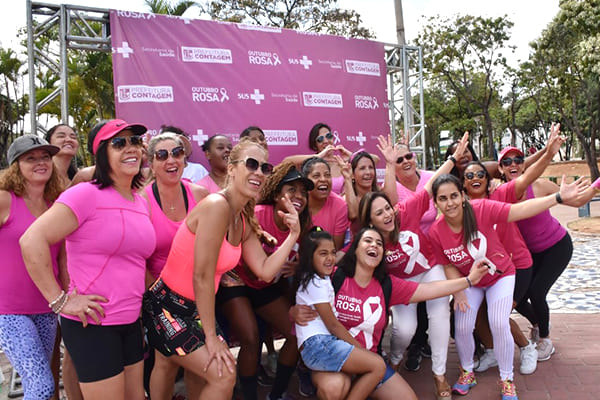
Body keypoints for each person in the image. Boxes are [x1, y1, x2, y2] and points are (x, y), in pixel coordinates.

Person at [141, 138, 301, 400]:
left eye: (265, 167)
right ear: (232, 169)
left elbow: (264, 270)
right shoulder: (217, 206)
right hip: (167, 305)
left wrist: (293, 234)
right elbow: (202, 276)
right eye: (251, 164)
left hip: (196, 307)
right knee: (222, 374)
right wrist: (211, 337)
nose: (259, 172)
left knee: (174, 365)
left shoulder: (241, 218)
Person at [21, 119, 156, 399]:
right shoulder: (85, 194)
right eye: (119, 143)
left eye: (135, 141)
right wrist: (60, 300)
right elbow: (31, 241)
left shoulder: (139, 201)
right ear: (101, 155)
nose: (130, 148)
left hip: (131, 321)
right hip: (94, 325)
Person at [427, 173, 586, 400]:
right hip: (469, 281)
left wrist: (558, 198)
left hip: (500, 277)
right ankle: (467, 372)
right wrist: (459, 290)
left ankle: (506, 379)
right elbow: (447, 264)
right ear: (436, 203)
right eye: (443, 199)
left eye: (454, 196)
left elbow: (519, 210)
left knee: (498, 322)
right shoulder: (436, 230)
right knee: (463, 325)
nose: (450, 203)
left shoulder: (480, 208)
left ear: (463, 196)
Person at [293, 227, 489, 400]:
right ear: (356, 248)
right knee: (334, 389)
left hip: (370, 359)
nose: (374, 245)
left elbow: (429, 290)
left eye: (379, 243)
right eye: (368, 240)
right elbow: (307, 293)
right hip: (338, 356)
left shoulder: (387, 285)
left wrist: (469, 280)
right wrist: (292, 312)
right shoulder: (335, 275)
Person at [355, 132, 468, 399]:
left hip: (430, 269)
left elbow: (431, 185)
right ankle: (394, 360)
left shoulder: (406, 211)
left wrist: (453, 158)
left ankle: (439, 374)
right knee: (405, 330)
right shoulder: (370, 240)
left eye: (388, 209)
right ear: (370, 221)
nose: (388, 215)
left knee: (440, 312)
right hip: (402, 285)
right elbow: (345, 259)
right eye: (380, 212)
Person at [462, 125, 565, 375]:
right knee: (477, 314)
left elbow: (526, 177)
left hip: (518, 265)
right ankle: (491, 350)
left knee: (499, 314)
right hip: (491, 271)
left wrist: (548, 154)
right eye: (469, 176)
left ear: (488, 181)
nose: (475, 178)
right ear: (463, 186)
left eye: (480, 175)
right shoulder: (461, 210)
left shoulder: (502, 194)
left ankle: (527, 346)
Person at [216, 162, 313, 400]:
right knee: (250, 338)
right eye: (291, 190)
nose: (298, 196)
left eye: (303, 192)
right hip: (235, 282)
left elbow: (301, 260)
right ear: (277, 193)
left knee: (294, 334)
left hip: (264, 286)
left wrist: (297, 264)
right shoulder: (257, 214)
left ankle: (277, 394)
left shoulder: (303, 225)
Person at [498, 143, 599, 362]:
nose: (513, 164)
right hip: (532, 254)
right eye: (507, 161)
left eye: (517, 160)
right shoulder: (499, 194)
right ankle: (538, 323)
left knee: (536, 292)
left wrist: (597, 183)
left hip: (557, 247)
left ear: (524, 165)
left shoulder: (540, 185)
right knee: (519, 296)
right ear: (500, 168)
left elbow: (578, 201)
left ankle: (545, 339)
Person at [142, 132, 209, 399]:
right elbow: (137, 256)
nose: (171, 159)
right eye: (162, 155)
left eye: (177, 153)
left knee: (198, 364)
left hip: (198, 291)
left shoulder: (201, 195)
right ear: (152, 163)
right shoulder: (141, 199)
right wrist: (156, 295)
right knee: (166, 361)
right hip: (158, 293)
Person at [0, 135, 62, 399]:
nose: (40, 162)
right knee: (41, 385)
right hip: (9, 311)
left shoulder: (57, 204)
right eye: (31, 158)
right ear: (16, 166)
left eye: (45, 157)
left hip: (47, 308)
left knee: (39, 384)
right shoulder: (5, 199)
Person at [294, 227, 387, 400]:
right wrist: (359, 350)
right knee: (377, 365)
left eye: (332, 252)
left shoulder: (320, 279)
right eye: (323, 253)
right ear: (310, 256)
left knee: (369, 369)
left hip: (319, 346)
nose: (330, 258)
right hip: (319, 345)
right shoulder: (316, 283)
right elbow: (333, 325)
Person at [282, 123, 354, 194]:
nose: (326, 141)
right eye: (320, 139)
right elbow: (286, 162)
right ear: (314, 145)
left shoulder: (341, 163)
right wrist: (318, 156)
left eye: (329, 136)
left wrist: (351, 157)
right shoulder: (310, 164)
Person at [301, 157, 350, 251]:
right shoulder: (298, 202)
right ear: (306, 181)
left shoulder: (339, 205)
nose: (323, 179)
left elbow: (336, 248)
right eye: (316, 176)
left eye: (327, 175)